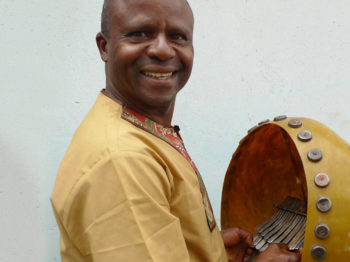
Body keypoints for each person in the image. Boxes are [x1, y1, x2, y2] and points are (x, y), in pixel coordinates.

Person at [51, 0, 302, 261]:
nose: (162, 50)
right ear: (105, 47)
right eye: (140, 34)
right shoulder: (123, 161)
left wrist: (208, 249)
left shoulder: (137, 129)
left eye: (177, 37)